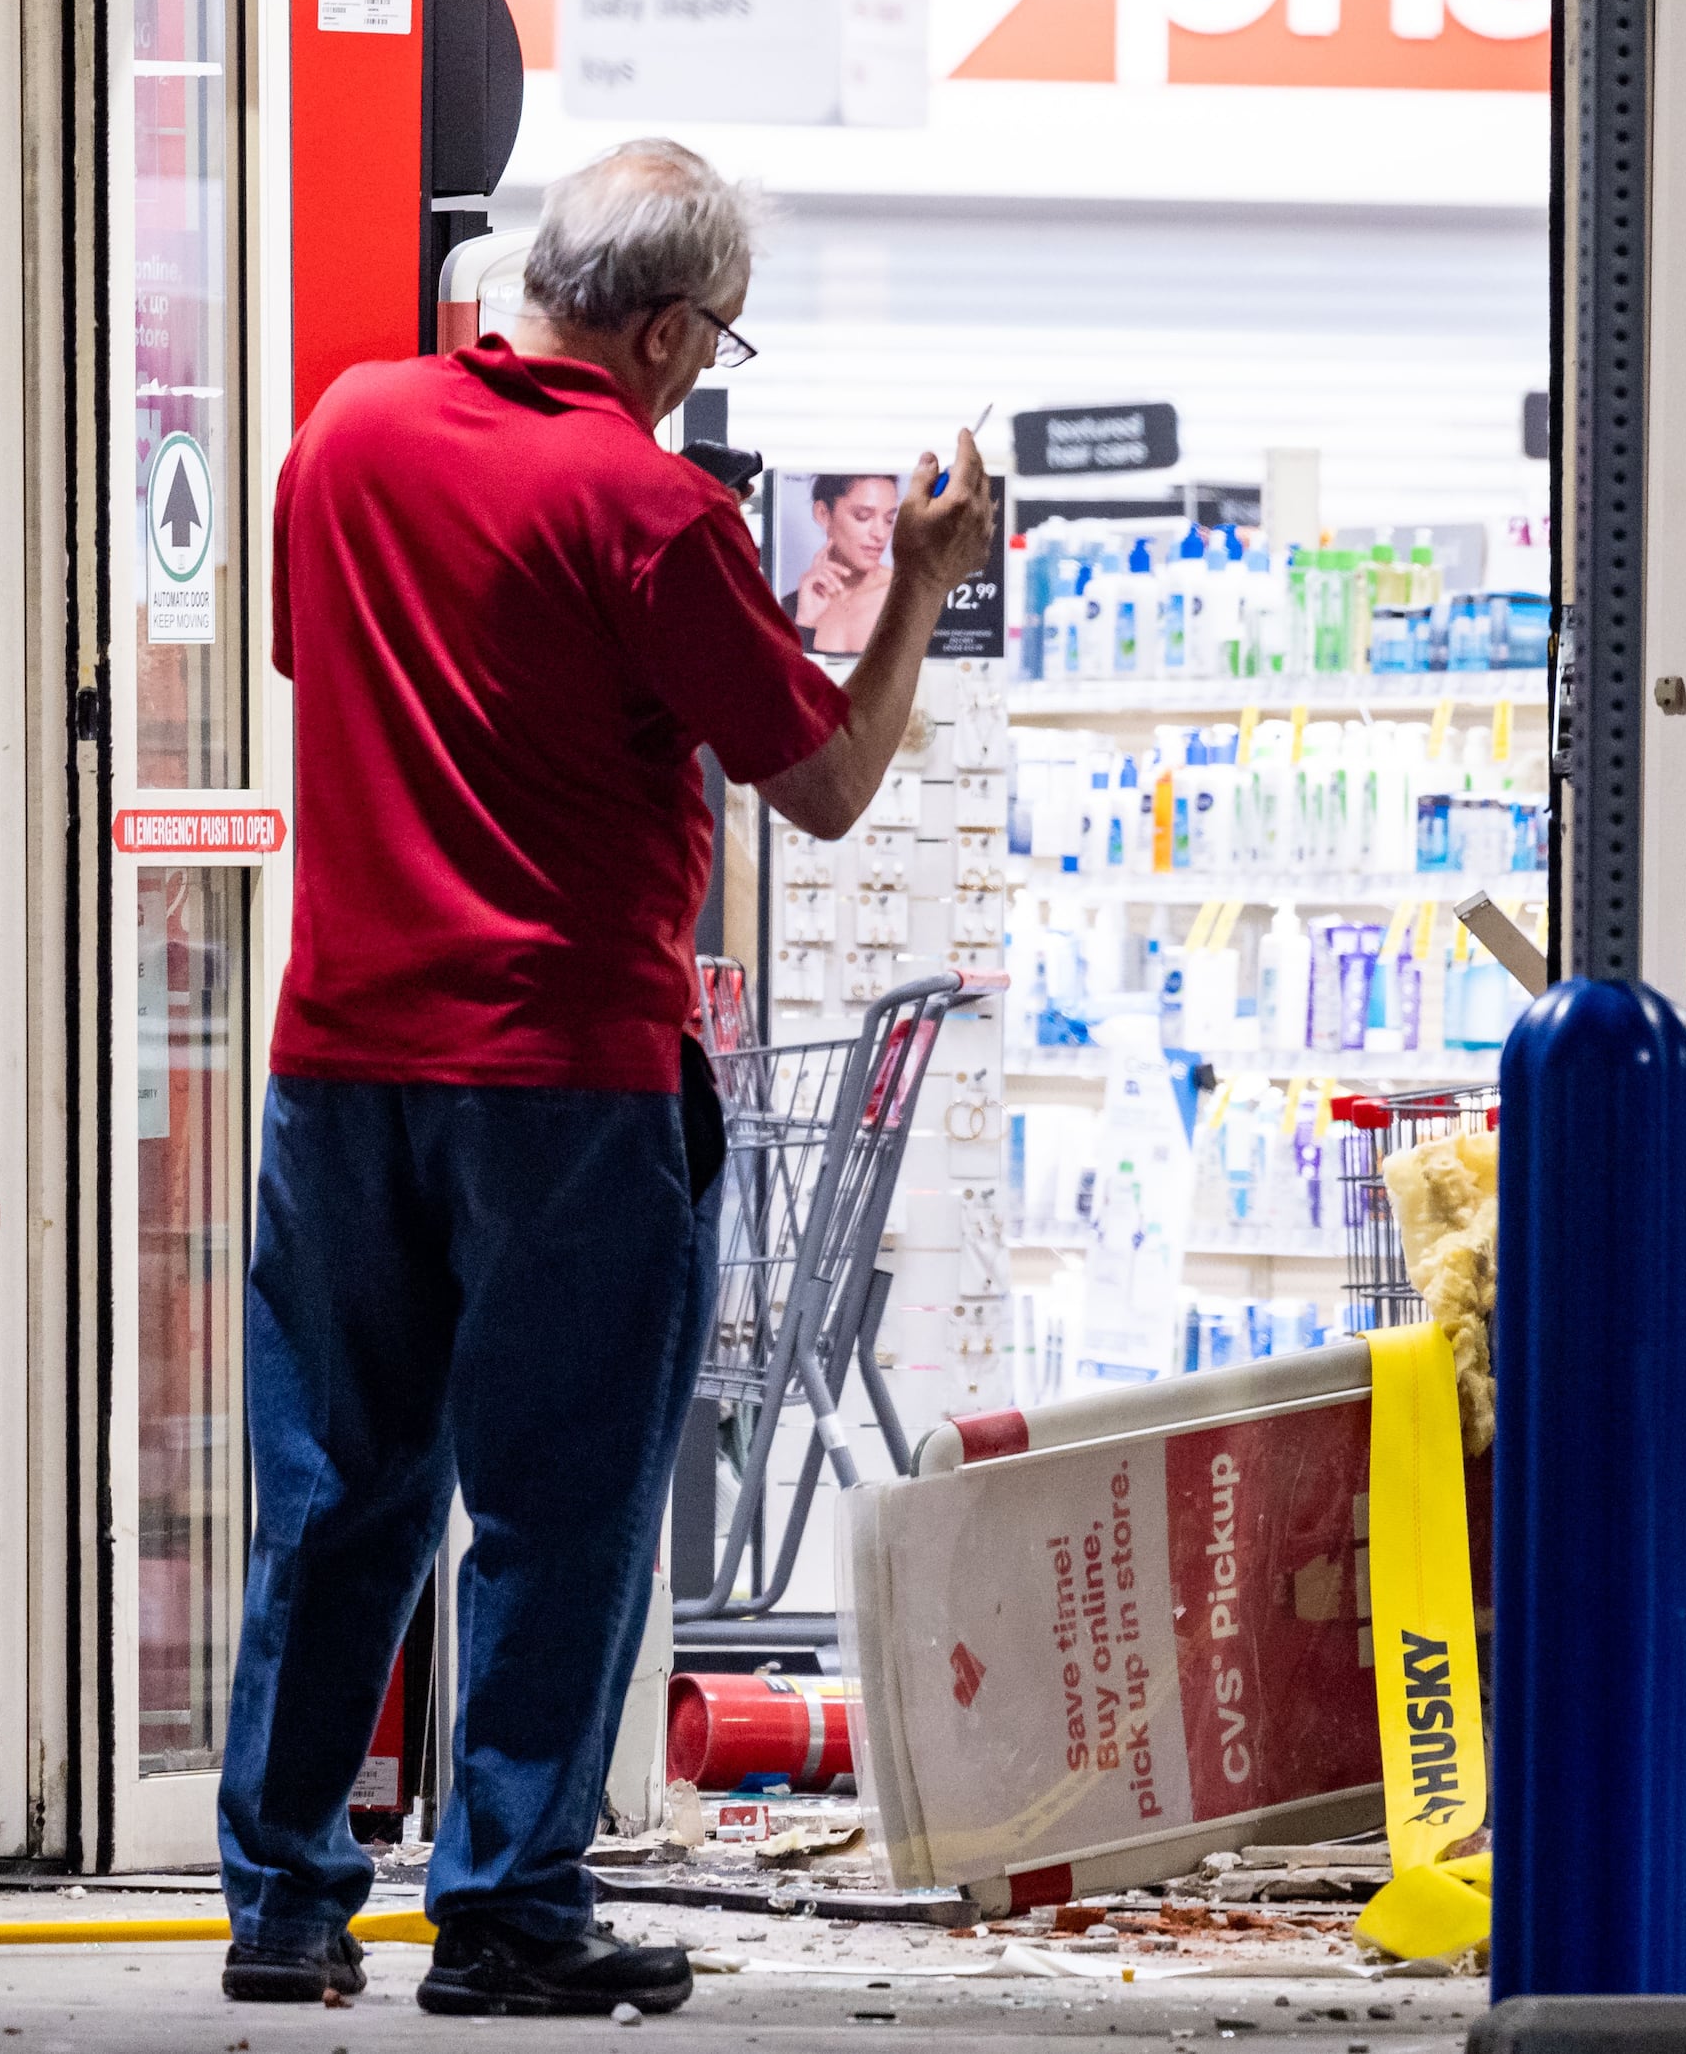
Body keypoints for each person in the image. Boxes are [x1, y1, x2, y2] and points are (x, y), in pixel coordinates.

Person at [216, 139, 993, 2018]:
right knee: (561, 1502)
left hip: (340, 1063)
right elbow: (819, 777)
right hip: (565, 1081)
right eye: (714, 340)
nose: (705, 370)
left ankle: (287, 1906)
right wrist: (919, 588)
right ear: (654, 327)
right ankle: (501, 1910)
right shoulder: (648, 514)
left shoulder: (346, 433)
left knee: (337, 1489)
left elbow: (300, 657)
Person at [780, 471, 898, 653]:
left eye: (889, 520)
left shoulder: (905, 598)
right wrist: (804, 622)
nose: (880, 534)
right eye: (863, 516)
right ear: (823, 514)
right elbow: (782, 678)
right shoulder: (792, 605)